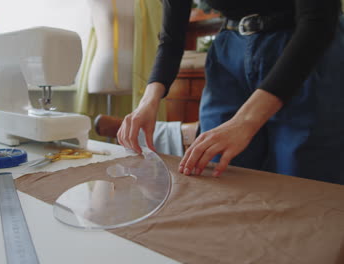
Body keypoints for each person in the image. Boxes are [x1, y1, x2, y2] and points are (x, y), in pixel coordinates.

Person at [117, 0, 344, 185]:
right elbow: (171, 39)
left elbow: (318, 20)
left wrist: (244, 121)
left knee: (301, 178)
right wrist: (148, 101)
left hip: (304, 50)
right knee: (218, 175)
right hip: (229, 52)